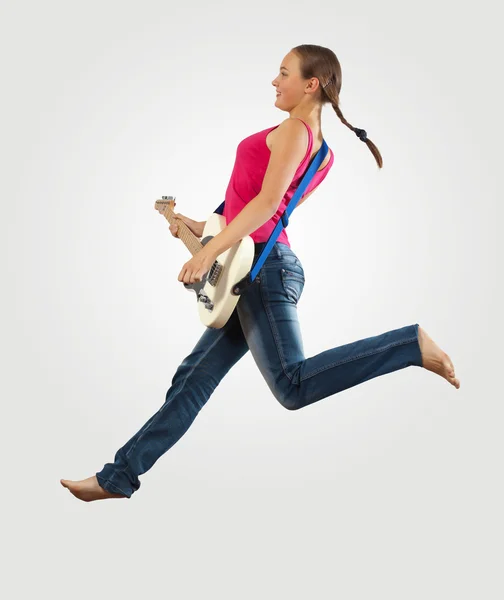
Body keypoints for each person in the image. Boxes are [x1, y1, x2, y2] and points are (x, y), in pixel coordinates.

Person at [61, 45, 460, 502]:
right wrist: (200, 226)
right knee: (191, 377)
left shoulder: (294, 129)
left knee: (292, 386)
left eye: (284, 73)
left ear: (312, 84)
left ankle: (408, 344)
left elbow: (268, 206)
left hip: (263, 272)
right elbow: (263, 209)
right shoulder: (322, 152)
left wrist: (209, 251)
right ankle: (117, 478)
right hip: (258, 264)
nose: (275, 81)